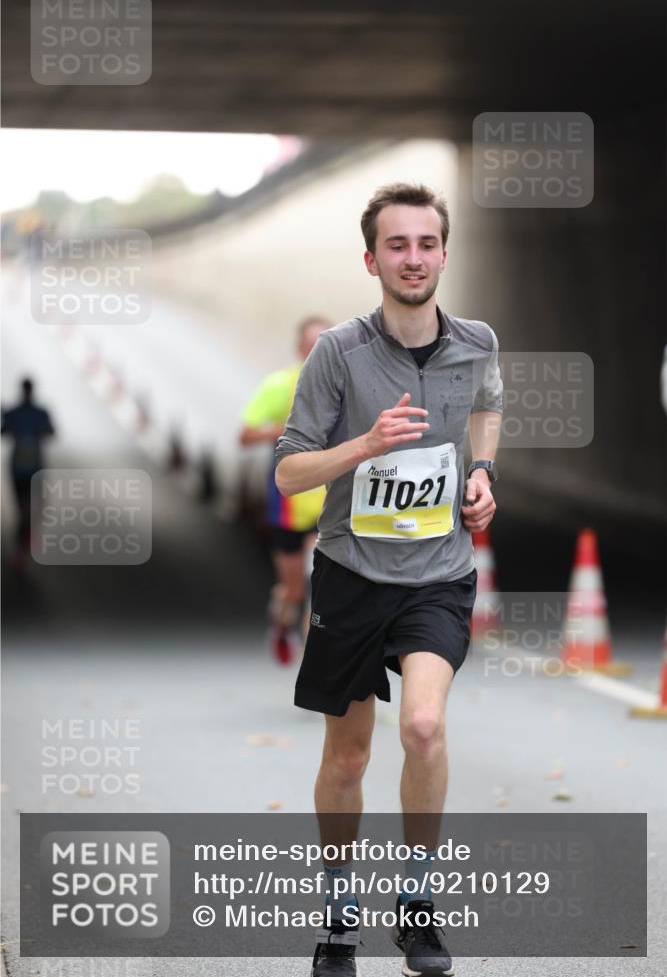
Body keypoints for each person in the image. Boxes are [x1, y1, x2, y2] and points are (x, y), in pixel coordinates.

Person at [275, 183, 503, 976]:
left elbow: (487, 406)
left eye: (427, 243)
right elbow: (287, 473)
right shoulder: (337, 352)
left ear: (444, 252)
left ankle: (416, 904)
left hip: (436, 575)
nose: (414, 258)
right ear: (372, 259)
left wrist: (480, 473)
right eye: (397, 245)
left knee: (424, 728)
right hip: (350, 574)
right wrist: (363, 446)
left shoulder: (476, 340)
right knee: (346, 757)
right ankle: (339, 914)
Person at [240, 317, 331, 663]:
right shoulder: (280, 385)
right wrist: (283, 431)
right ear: (299, 349)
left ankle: (315, 666)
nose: (317, 352)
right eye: (311, 345)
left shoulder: (344, 384)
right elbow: (245, 435)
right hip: (288, 506)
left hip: (329, 507)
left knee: (320, 590)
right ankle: (280, 624)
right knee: (293, 591)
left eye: (325, 344)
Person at [1, 377, 55, 565]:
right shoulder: (40, 413)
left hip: (19, 468)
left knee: (25, 508)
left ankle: (23, 542)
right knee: (30, 508)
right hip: (32, 468)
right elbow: (51, 433)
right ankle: (22, 545)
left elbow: (4, 432)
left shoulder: (14, 413)